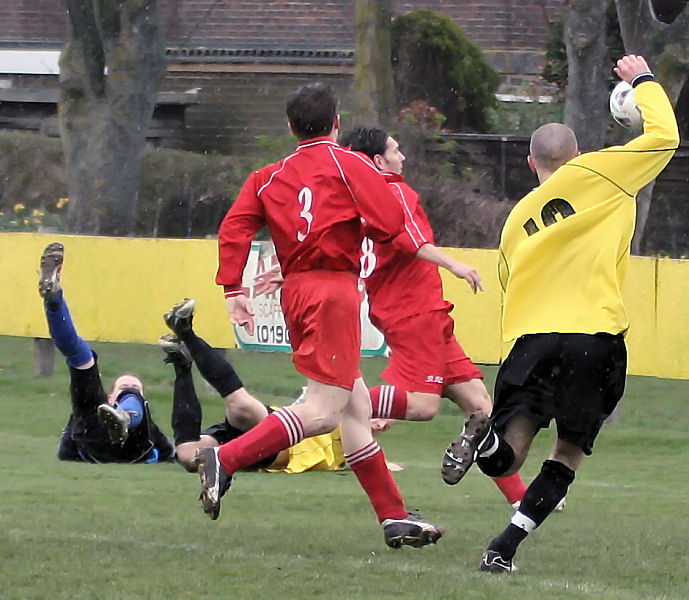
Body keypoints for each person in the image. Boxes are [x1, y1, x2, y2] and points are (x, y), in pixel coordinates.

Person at [439, 54, 679, 573]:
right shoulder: (604, 171)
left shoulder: (516, 219)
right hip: (593, 332)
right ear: (578, 154)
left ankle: (485, 441)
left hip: (532, 338)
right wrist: (642, 80)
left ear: (532, 165)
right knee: (568, 451)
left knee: (509, 455)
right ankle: (503, 546)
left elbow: (508, 283)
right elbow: (665, 136)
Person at [189, 82, 443, 549]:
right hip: (333, 291)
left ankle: (393, 516)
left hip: (298, 292)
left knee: (356, 409)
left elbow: (236, 228)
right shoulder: (350, 165)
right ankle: (226, 458)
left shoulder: (268, 175)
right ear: (337, 123)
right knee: (324, 413)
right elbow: (389, 222)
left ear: (290, 127)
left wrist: (233, 289)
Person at [338, 125, 529, 510]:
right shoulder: (392, 191)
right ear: (378, 161)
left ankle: (522, 501)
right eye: (396, 149)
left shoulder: (355, 202)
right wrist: (455, 264)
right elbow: (412, 240)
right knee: (424, 406)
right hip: (414, 311)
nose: (402, 156)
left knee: (480, 407)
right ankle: (336, 403)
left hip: (420, 311)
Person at [158, 303, 346, 475]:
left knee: (187, 455)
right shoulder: (346, 405)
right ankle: (186, 332)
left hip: (276, 456)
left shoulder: (353, 446)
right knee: (241, 408)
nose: (376, 424)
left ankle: (181, 364)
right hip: (280, 434)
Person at [38, 241, 174, 464]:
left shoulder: (149, 427)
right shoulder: (104, 410)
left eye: (133, 390)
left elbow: (174, 456)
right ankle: (53, 298)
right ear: (111, 398)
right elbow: (65, 451)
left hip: (121, 443)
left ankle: (54, 301)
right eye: (123, 389)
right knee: (81, 358)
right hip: (100, 434)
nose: (129, 391)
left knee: (79, 358)